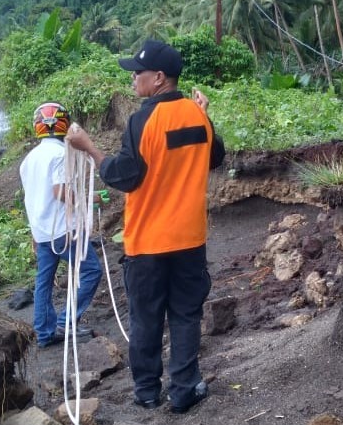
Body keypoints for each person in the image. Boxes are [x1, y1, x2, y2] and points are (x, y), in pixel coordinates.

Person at [66, 39, 226, 414]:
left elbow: (124, 176)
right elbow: (215, 157)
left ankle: (147, 392)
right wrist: (204, 114)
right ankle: (185, 388)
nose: (133, 79)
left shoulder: (142, 120)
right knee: (187, 314)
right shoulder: (197, 114)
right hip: (189, 239)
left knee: (146, 318)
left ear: (158, 78)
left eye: (137, 73)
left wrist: (88, 147)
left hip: (149, 241)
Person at [19, 102, 103, 348]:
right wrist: (91, 198)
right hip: (63, 229)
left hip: (42, 230)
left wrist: (34, 233)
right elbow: (60, 191)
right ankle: (65, 323)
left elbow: (31, 198)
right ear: (64, 125)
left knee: (43, 281)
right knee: (91, 271)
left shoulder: (29, 160)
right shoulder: (59, 154)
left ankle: (44, 333)